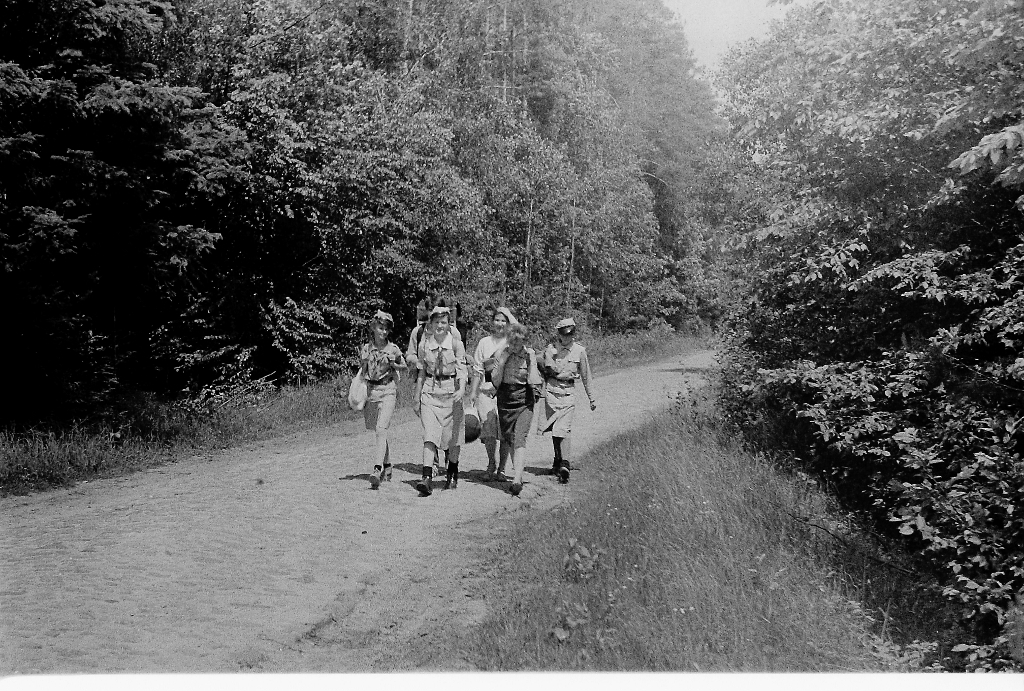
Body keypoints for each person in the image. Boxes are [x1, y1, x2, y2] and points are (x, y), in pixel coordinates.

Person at [413, 306, 468, 496]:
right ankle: (426, 477)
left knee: (452, 438)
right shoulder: (424, 345)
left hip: (451, 393)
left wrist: (461, 389)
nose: (439, 326)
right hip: (430, 392)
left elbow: (462, 370)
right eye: (436, 322)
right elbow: (421, 372)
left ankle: (452, 472)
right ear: (431, 323)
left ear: (448, 324)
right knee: (429, 435)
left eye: (443, 322)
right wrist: (417, 396)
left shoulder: (456, 344)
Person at [538, 317, 596, 484]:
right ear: (559, 334)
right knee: (555, 429)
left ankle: (565, 464)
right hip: (551, 392)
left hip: (568, 392)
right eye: (564, 334)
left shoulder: (579, 351)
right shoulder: (550, 349)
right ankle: (557, 459)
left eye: (569, 334)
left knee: (564, 428)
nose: (567, 338)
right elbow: (540, 368)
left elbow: (586, 375)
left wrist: (591, 398)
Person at [490, 323, 544, 496]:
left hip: (524, 399)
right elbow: (495, 381)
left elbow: (534, 380)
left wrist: (530, 361)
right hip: (505, 399)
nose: (514, 346)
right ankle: (514, 473)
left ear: (523, 341)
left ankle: (517, 479)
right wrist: (503, 361)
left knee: (520, 437)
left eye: (517, 342)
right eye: (511, 342)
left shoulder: (530, 355)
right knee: (509, 437)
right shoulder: (501, 353)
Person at [358, 310, 407, 489]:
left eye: (386, 329)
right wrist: (364, 363)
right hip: (371, 392)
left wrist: (394, 363)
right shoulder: (366, 348)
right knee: (377, 430)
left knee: (381, 428)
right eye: (380, 328)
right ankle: (387, 464)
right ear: (374, 328)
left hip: (388, 391)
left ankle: (377, 469)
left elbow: (404, 366)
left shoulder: (393, 348)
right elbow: (363, 372)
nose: (383, 332)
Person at [469, 306, 517, 481]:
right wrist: (473, 392)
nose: (500, 324)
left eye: (503, 321)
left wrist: (508, 313)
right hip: (486, 392)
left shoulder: (512, 342)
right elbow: (477, 370)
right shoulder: (484, 342)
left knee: (505, 431)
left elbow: (520, 330)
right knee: (488, 430)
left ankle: (502, 469)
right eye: (497, 320)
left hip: (506, 393)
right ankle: (491, 463)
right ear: (492, 322)